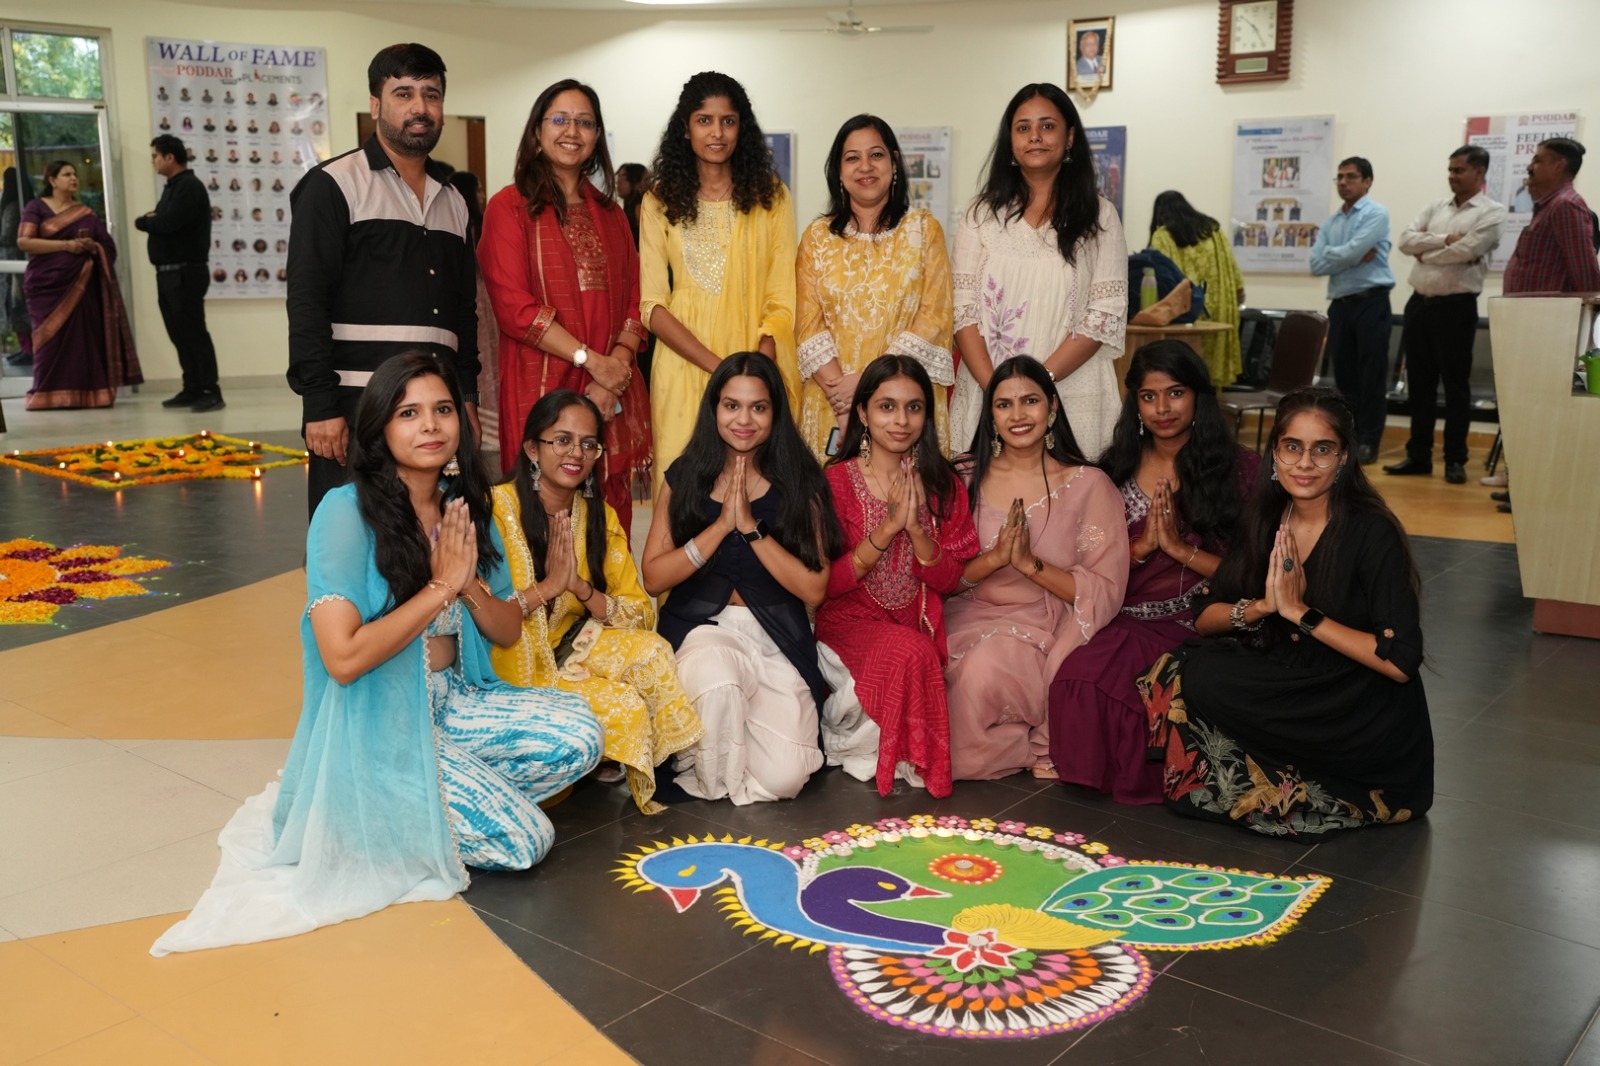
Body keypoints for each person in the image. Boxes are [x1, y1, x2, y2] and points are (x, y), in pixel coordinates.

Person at [151, 352, 602, 956]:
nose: (430, 425)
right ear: (380, 428)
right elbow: (342, 658)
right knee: (525, 841)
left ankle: (435, 792)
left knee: (581, 735)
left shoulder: (463, 507)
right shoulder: (345, 513)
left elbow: (502, 631)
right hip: (380, 727)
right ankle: (370, 801)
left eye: (443, 409)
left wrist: (470, 581)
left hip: (454, 704)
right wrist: (439, 586)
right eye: (408, 413)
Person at [1140, 387, 1432, 839]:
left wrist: (1301, 613)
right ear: (1275, 453)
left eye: (1323, 450)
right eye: (1292, 447)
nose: (1305, 464)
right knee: (1188, 669)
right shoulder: (1267, 517)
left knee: (1212, 678)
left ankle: (1294, 781)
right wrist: (1261, 607)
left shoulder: (1372, 532)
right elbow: (1205, 615)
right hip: (1296, 677)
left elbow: (1399, 662)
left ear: (1344, 458)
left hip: (1359, 700)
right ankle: (1265, 779)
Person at [1047, 342, 1257, 804]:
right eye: (1148, 396)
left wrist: (1181, 550)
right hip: (1124, 615)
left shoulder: (1239, 471)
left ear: (1198, 396)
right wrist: (1142, 548)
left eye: (1175, 393)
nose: (1162, 408)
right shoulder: (1112, 471)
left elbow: (1252, 577)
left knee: (1158, 692)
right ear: (1135, 405)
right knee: (1079, 678)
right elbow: (1089, 565)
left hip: (1205, 622)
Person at [287, 43, 480, 517]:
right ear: (376, 105)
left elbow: (464, 312)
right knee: (352, 539)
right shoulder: (333, 185)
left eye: (431, 95)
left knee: (432, 538)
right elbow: (307, 301)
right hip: (357, 409)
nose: (420, 107)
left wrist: (466, 397)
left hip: (434, 413)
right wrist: (319, 405)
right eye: (404, 93)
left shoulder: (453, 200)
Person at [490, 390, 702, 814]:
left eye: (588, 444)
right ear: (532, 448)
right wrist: (549, 587)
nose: (576, 453)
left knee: (653, 653)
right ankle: (590, 756)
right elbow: (481, 611)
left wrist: (580, 589)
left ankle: (673, 769)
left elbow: (638, 615)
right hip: (510, 663)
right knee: (626, 709)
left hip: (571, 649)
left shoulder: (598, 516)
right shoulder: (495, 510)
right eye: (562, 440)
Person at [642, 353, 841, 805]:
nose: (744, 420)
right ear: (714, 408)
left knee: (785, 779)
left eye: (758, 407)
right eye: (732, 405)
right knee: (719, 686)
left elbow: (814, 588)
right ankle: (709, 750)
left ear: (775, 413)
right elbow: (653, 577)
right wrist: (719, 527)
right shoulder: (685, 475)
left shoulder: (801, 480)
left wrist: (750, 527)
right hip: (703, 632)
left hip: (776, 638)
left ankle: (728, 742)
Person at [478, 80, 650, 532]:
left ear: (597, 136)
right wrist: (592, 362)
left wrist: (613, 373)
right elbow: (514, 307)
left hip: (608, 391)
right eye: (560, 119)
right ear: (537, 131)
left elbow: (637, 299)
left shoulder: (612, 214)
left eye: (584, 122)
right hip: (540, 385)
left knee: (605, 518)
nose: (572, 131)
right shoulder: (508, 208)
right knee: (537, 512)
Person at [944, 356, 1126, 781]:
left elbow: (1104, 588)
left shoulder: (1088, 484)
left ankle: (1023, 746)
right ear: (990, 415)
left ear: (1053, 407)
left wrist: (1030, 565)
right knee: (934, 677)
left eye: (1030, 401)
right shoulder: (963, 477)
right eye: (1004, 404)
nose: (1018, 415)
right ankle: (1013, 742)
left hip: (1042, 625)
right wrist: (994, 561)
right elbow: (943, 578)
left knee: (981, 673)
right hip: (963, 617)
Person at [815, 355, 979, 798]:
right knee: (910, 653)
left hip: (917, 622)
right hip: (847, 623)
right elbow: (824, 586)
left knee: (916, 649)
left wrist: (917, 530)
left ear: (927, 415)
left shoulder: (943, 485)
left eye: (913, 407)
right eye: (886, 407)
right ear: (863, 413)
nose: (901, 421)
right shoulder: (834, 483)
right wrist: (887, 530)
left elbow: (951, 581)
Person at [639, 71, 798, 493]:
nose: (717, 132)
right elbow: (652, 306)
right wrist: (720, 369)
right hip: (683, 362)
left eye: (728, 121)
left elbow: (782, 297)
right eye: (704, 120)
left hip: (753, 356)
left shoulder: (772, 198)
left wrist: (754, 373)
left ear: (741, 128)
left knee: (756, 490)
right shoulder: (658, 201)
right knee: (683, 492)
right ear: (685, 128)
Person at [952, 83, 1126, 460]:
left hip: (1071, 390)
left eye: (1047, 126)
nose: (1035, 136)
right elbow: (962, 312)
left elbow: (1104, 313)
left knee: (1072, 495)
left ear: (1070, 137)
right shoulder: (980, 216)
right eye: (1023, 127)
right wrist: (1001, 392)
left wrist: (1036, 389)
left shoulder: (1100, 216)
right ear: (1010, 139)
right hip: (988, 391)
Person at [796, 114, 954, 459]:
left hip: (903, 409)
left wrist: (868, 385)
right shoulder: (816, 238)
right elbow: (808, 326)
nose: (865, 166)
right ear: (838, 171)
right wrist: (844, 402)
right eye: (852, 158)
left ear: (894, 163)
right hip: (831, 403)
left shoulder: (923, 230)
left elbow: (935, 318)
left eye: (876, 155)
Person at [1384, 146, 1505, 486]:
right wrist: (1444, 240)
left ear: (1479, 172)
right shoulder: (1435, 207)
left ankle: (1455, 459)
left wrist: (1427, 254)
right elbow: (1406, 242)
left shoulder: (1492, 212)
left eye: (1459, 170)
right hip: (1419, 305)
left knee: (1455, 387)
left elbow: (1469, 250)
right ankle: (1419, 456)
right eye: (1450, 169)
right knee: (1419, 385)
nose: (1452, 175)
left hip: (1456, 308)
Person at [16, 161, 141, 410]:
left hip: (82, 285)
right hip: (45, 285)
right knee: (48, 342)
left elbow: (108, 247)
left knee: (83, 340)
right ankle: (46, 394)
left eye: (74, 174)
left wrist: (92, 247)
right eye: (66, 174)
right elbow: (24, 241)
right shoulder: (36, 207)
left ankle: (89, 393)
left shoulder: (85, 213)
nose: (73, 178)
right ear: (52, 180)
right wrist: (66, 246)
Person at [1310, 157, 1394, 465]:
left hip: (1371, 302)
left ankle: (1369, 441)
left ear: (1367, 181)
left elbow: (1343, 254)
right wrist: (1353, 256)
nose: (1344, 183)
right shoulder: (1332, 222)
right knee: (1344, 377)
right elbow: (1315, 264)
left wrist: (1341, 255)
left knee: (1371, 376)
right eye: (1340, 177)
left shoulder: (1376, 213)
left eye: (1351, 177)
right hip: (1341, 306)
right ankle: (1349, 440)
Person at [136, 134, 224, 412]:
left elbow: (167, 222)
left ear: (169, 157)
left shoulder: (189, 186)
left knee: (193, 332)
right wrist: (151, 220)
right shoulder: (173, 187)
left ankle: (210, 390)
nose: (153, 161)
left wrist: (147, 221)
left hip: (185, 272)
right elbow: (160, 220)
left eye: (155, 156)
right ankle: (192, 386)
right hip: (168, 273)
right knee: (178, 333)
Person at [1148, 190, 1246, 386]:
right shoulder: (1214, 231)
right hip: (1220, 310)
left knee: (1185, 373)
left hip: (1186, 314)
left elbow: (1160, 276)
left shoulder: (1163, 236)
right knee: (1211, 373)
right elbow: (1233, 268)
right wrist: (1238, 294)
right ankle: (1212, 404)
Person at [1503, 138, 1600, 295]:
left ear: (1558, 166)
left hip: (1549, 310)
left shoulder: (1566, 204)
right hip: (1529, 308)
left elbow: (1584, 270)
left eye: (1537, 161)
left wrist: (1591, 306)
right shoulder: (1549, 205)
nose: (1529, 167)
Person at [1, 167, 33, 366]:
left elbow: (7, 235)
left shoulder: (13, 206)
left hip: (14, 261)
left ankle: (29, 349)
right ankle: (26, 348)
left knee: (17, 305)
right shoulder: (25, 203)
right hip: (16, 259)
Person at [615, 161, 648, 243]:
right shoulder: (628, 205)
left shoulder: (640, 207)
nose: (618, 182)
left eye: (624, 178)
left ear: (638, 182)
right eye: (618, 177)